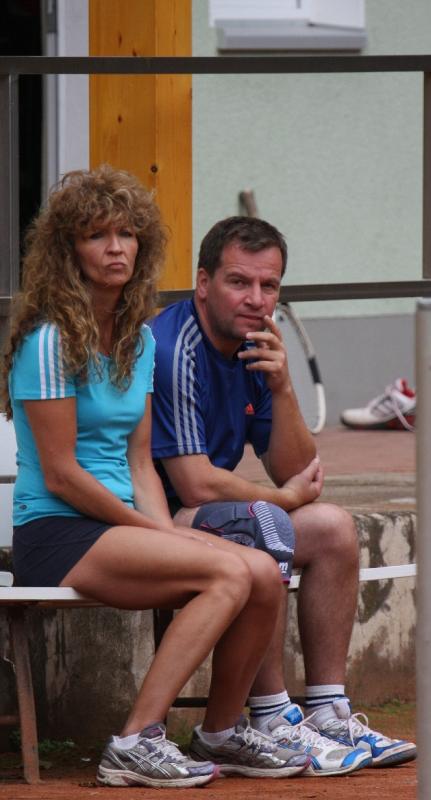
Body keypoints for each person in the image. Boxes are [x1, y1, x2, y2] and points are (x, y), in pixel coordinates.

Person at [0, 170, 311, 789]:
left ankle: (221, 733)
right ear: (69, 251)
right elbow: (62, 474)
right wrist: (157, 531)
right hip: (58, 532)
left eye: (126, 234)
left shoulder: (137, 341)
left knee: (262, 570)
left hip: (121, 527)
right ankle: (134, 740)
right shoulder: (48, 342)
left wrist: (164, 528)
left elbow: (140, 461)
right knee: (227, 572)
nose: (115, 248)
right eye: (97, 235)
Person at [150, 216, 417, 775]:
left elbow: (299, 470)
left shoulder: (256, 345)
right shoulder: (175, 347)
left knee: (333, 528)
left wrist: (282, 384)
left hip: (206, 516)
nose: (256, 299)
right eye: (238, 282)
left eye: (268, 286)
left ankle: (326, 712)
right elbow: (194, 482)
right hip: (149, 522)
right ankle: (272, 716)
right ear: (203, 283)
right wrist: (282, 499)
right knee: (260, 522)